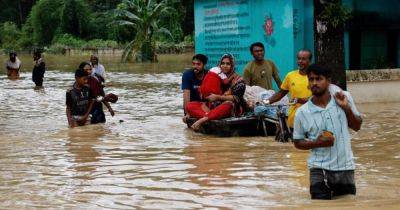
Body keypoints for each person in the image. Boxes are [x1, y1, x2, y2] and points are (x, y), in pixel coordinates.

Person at [293, 64, 363, 200]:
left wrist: (346, 108)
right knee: (320, 206)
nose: (314, 83)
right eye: (311, 79)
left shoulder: (344, 97)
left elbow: (357, 126)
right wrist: (316, 143)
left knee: (347, 204)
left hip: (345, 166)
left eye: (318, 79)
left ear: (328, 81)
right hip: (318, 167)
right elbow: (297, 142)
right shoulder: (302, 112)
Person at [186, 54, 247, 131]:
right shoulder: (215, 76)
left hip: (230, 108)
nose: (225, 66)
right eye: (223, 63)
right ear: (219, 64)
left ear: (232, 65)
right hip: (212, 108)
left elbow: (236, 98)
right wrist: (189, 113)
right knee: (190, 105)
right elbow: (205, 95)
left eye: (228, 64)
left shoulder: (239, 80)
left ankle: (203, 119)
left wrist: (218, 97)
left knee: (228, 104)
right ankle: (211, 115)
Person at [266, 49, 313, 128]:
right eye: (299, 58)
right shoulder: (290, 76)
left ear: (310, 61)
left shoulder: (315, 77)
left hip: (312, 117)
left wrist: (301, 100)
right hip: (294, 118)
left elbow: (319, 98)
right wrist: (266, 101)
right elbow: (281, 93)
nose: (300, 61)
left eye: (303, 59)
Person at [181, 54, 208, 121]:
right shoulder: (187, 75)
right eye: (194, 64)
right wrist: (187, 113)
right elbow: (186, 95)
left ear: (204, 65)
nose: (195, 66)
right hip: (192, 107)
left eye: (198, 64)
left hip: (205, 106)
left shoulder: (208, 74)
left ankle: (208, 116)